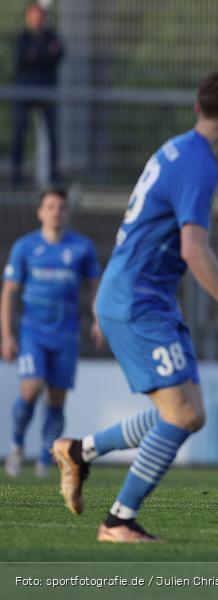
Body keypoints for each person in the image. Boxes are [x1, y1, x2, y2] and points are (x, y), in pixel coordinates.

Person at [51, 70, 218, 543]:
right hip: (137, 300)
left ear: (197, 108)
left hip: (142, 295)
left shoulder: (176, 148)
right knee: (184, 414)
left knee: (183, 408)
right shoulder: (200, 164)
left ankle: (79, 451)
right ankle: (118, 521)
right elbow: (194, 249)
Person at [2, 188, 102, 479]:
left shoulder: (81, 248)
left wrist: (99, 319)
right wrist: (7, 335)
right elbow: (9, 292)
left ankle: (47, 460)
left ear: (67, 212)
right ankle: (17, 445)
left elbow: (96, 285)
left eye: (61, 207)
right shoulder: (25, 247)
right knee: (31, 390)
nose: (56, 211)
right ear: (40, 212)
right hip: (33, 332)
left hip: (66, 334)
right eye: (50, 206)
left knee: (56, 399)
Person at [11, 2, 64, 186]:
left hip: (47, 91)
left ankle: (54, 174)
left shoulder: (51, 35)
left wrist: (36, 54)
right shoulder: (22, 36)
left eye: (39, 16)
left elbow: (58, 54)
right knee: (19, 133)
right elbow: (21, 58)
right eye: (33, 16)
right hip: (25, 91)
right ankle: (16, 176)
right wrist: (44, 54)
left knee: (52, 135)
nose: (36, 20)